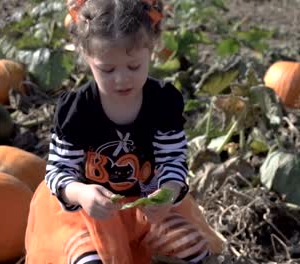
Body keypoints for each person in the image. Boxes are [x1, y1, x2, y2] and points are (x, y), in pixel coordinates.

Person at [24, 0, 217, 263]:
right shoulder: (77, 109)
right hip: (88, 215)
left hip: (147, 211)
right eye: (107, 69)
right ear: (86, 56)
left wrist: (168, 192)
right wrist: (81, 193)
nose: (121, 78)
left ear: (152, 48)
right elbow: (58, 171)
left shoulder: (162, 102)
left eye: (134, 66)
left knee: (192, 250)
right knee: (88, 259)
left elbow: (173, 160)